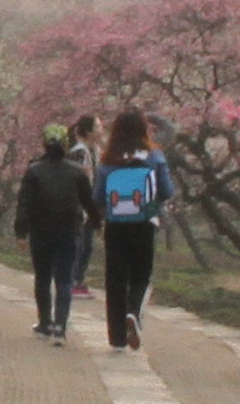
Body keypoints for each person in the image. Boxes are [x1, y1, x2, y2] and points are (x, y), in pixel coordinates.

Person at [92, 109, 171, 351]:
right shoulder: (154, 155)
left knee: (115, 278)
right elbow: (167, 191)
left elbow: (97, 197)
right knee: (141, 274)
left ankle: (117, 338)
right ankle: (134, 312)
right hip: (144, 223)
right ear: (143, 129)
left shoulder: (108, 159)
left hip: (116, 226)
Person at [13, 124, 99, 344]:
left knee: (42, 278)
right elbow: (89, 202)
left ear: (44, 143)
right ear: (66, 144)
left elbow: (24, 204)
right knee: (64, 279)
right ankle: (60, 326)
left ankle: (44, 323)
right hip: (69, 232)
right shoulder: (76, 171)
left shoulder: (34, 170)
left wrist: (21, 233)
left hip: (41, 232)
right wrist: (98, 224)